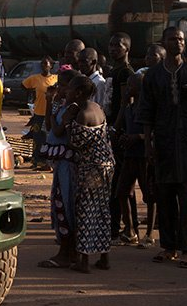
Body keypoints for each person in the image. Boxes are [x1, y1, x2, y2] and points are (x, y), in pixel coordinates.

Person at [137, 26, 187, 269]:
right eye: (173, 39)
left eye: (180, 39)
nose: (177, 42)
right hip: (164, 142)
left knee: (186, 196)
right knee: (165, 196)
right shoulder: (154, 74)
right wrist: (148, 144)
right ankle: (168, 246)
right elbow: (146, 111)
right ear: (165, 42)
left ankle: (186, 250)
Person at [55, 75, 114, 273]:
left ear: (78, 93)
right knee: (102, 210)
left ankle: (84, 261)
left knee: (86, 211)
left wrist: (67, 120)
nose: (66, 92)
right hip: (107, 164)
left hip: (91, 167)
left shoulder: (81, 114)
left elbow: (74, 143)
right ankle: (104, 258)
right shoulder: (97, 108)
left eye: (70, 89)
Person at [38, 68, 80, 268]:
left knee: (66, 204)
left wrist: (52, 104)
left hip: (69, 164)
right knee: (60, 203)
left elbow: (57, 129)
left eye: (63, 86)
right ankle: (67, 250)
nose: (59, 89)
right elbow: (49, 124)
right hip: (61, 162)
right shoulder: (63, 105)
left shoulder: (73, 108)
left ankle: (67, 251)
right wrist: (49, 103)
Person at [115, 73, 157, 247]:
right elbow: (117, 127)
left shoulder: (149, 107)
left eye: (130, 86)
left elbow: (155, 131)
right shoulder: (129, 108)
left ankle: (149, 234)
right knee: (122, 192)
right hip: (130, 155)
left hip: (145, 155)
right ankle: (130, 230)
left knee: (149, 196)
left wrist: (138, 137)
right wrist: (123, 105)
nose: (127, 89)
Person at [107, 33, 137, 244]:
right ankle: (122, 226)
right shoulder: (114, 71)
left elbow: (126, 102)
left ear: (127, 48)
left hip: (121, 132)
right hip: (113, 129)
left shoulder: (126, 73)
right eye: (111, 45)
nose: (113, 49)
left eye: (118, 45)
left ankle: (124, 227)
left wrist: (115, 129)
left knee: (122, 183)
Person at [22, 56, 57, 165]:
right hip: (39, 112)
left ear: (50, 66)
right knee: (38, 138)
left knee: (49, 137)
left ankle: (48, 161)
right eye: (42, 64)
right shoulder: (34, 78)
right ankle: (36, 160)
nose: (43, 66)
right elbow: (23, 85)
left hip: (51, 113)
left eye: (45, 64)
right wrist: (31, 92)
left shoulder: (56, 78)